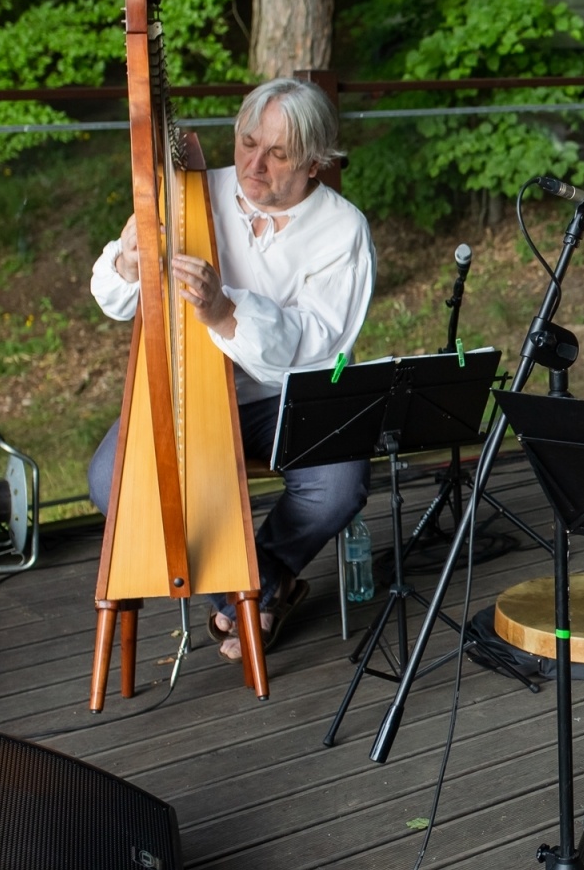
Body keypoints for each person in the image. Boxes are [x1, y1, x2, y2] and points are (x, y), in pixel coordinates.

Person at [88, 78, 375, 662]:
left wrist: (224, 310)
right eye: (247, 143)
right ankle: (263, 592)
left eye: (279, 154)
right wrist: (125, 260)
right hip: (190, 392)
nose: (255, 165)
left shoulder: (343, 230)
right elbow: (116, 302)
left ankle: (245, 588)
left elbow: (316, 344)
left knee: (338, 486)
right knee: (110, 482)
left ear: (317, 161)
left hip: (284, 392)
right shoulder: (190, 191)